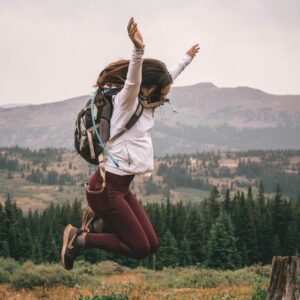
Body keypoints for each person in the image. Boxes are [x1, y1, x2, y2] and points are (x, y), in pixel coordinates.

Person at [61, 17, 200, 270]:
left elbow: (170, 75)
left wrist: (187, 59)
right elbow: (135, 78)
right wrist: (138, 50)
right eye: (164, 88)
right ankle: (79, 239)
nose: (168, 91)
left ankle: (97, 223)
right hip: (106, 190)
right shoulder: (128, 102)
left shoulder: (149, 103)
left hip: (121, 189)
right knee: (139, 248)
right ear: (148, 88)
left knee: (152, 245)